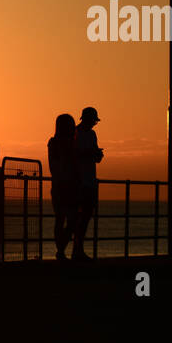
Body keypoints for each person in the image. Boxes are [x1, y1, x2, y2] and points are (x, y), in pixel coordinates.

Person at [72, 106, 104, 260]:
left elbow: (95, 157)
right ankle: (76, 250)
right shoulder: (75, 134)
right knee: (77, 218)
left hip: (90, 181)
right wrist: (90, 153)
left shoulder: (92, 134)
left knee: (85, 217)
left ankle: (78, 249)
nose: (93, 124)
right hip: (79, 181)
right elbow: (74, 155)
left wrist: (98, 154)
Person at [46, 114, 78, 260]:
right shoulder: (58, 143)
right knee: (65, 220)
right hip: (62, 185)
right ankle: (61, 250)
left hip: (64, 185)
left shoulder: (58, 143)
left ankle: (61, 249)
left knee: (65, 220)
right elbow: (59, 164)